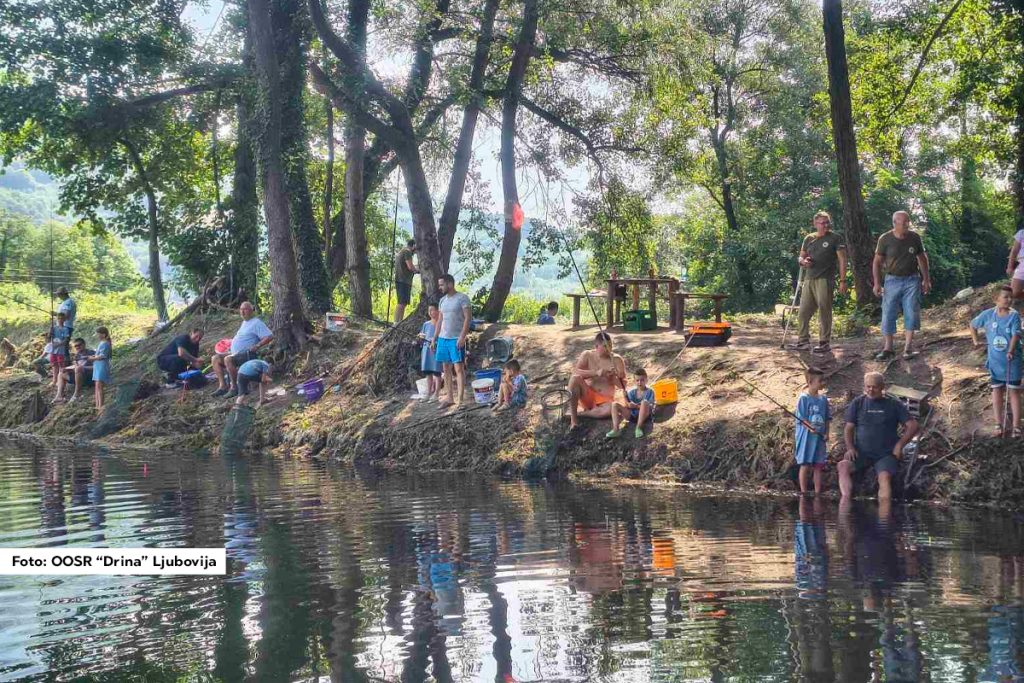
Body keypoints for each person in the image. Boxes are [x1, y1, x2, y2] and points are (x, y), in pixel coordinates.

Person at [839, 372, 919, 501]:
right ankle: (845, 504)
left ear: (882, 387)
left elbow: (913, 426)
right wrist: (850, 448)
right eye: (868, 386)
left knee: (884, 477)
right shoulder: (858, 403)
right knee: (843, 466)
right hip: (862, 453)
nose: (870, 390)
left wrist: (900, 445)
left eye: (874, 387)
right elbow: (849, 428)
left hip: (885, 454)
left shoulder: (894, 404)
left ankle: (884, 517)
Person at [872, 211, 932, 360]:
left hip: (912, 279)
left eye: (907, 221)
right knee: (888, 312)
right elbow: (877, 262)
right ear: (894, 223)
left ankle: (908, 348)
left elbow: (922, 258)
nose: (906, 224)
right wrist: (877, 283)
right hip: (892, 280)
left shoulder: (914, 237)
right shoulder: (885, 239)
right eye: (903, 222)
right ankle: (888, 348)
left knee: (911, 311)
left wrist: (926, 279)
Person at [970, 285, 1022, 438]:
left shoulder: (1014, 316)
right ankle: (998, 424)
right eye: (1005, 297)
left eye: (1010, 297)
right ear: (996, 299)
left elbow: (1015, 336)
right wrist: (975, 340)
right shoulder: (987, 315)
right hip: (995, 362)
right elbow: (973, 325)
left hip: (1012, 362)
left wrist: (1011, 351)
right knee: (997, 391)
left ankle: (1016, 426)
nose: (1009, 299)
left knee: (1014, 392)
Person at [793, 211, 848, 353]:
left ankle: (824, 342)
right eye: (822, 223)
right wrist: (803, 261)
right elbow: (801, 257)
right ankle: (803, 340)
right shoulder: (809, 238)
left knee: (824, 310)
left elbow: (842, 259)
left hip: (825, 278)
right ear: (815, 224)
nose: (825, 225)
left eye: (827, 222)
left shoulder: (835, 238)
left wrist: (843, 280)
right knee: (804, 311)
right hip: (809, 278)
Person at [212, 302, 274, 397]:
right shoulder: (244, 323)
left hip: (247, 354)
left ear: (251, 311)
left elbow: (269, 336)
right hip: (235, 353)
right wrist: (231, 347)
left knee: (228, 359)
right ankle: (223, 386)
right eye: (241, 309)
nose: (242, 311)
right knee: (215, 358)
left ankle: (235, 387)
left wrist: (257, 345)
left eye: (245, 309)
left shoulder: (256, 323)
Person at [568, 331, 626, 429]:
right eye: (605, 346)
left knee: (610, 409)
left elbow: (623, 386)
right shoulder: (587, 355)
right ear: (596, 346)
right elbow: (575, 373)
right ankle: (573, 421)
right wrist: (595, 373)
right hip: (587, 395)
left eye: (610, 346)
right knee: (574, 379)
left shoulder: (617, 360)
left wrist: (613, 378)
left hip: (605, 401)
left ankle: (583, 414)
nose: (609, 349)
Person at [431, 274, 472, 407]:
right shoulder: (442, 301)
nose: (440, 287)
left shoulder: (462, 298)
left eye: (442, 284)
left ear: (450, 284)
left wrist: (462, 336)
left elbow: (468, 318)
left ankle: (460, 400)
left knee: (459, 368)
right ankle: (449, 398)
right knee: (445, 368)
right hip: (443, 338)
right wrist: (434, 338)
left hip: (456, 338)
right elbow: (440, 320)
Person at [794, 368, 831, 495]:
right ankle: (803, 492)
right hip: (806, 438)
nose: (822, 383)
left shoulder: (823, 399)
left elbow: (827, 418)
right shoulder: (803, 398)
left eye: (823, 380)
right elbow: (802, 418)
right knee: (805, 464)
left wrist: (827, 433)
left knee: (818, 465)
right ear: (810, 381)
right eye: (820, 381)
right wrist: (810, 428)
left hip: (820, 438)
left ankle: (817, 492)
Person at [607, 367, 655, 439]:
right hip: (632, 416)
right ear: (634, 381)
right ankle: (615, 429)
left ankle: (638, 428)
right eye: (637, 380)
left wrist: (636, 406)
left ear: (646, 380)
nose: (639, 382)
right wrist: (625, 398)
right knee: (614, 405)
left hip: (645, 417)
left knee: (644, 402)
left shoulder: (650, 391)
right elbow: (627, 405)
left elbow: (651, 407)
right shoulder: (632, 392)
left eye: (642, 380)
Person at [54, 337, 94, 403]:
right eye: (76, 346)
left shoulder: (91, 353)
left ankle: (77, 394)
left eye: (79, 345)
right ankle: (59, 396)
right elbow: (75, 366)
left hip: (90, 377)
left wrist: (83, 368)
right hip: (78, 376)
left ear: (84, 344)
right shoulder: (77, 356)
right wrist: (68, 369)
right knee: (61, 372)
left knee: (78, 369)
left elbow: (97, 367)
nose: (77, 347)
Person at [419, 302, 442, 401]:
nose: (431, 312)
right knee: (428, 373)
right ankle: (429, 392)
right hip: (426, 350)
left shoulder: (441, 323)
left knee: (437, 372)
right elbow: (422, 336)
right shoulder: (426, 324)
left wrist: (435, 342)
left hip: (436, 350)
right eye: (429, 311)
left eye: (433, 310)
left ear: (438, 311)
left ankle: (436, 393)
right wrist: (420, 337)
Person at [394, 238, 419, 323]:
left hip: (402, 280)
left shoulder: (403, 251)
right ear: (414, 245)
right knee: (401, 303)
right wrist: (418, 271)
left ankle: (399, 322)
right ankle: (396, 322)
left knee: (403, 303)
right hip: (403, 280)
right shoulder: (407, 252)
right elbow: (410, 267)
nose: (416, 252)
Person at [90, 327, 112, 412]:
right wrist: (93, 357)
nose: (97, 336)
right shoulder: (101, 343)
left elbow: (102, 356)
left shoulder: (106, 343)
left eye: (98, 334)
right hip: (97, 366)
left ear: (103, 334)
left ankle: (101, 406)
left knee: (100, 386)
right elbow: (98, 355)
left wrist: (92, 359)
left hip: (102, 366)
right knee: (97, 386)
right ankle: (97, 405)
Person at [53, 286, 77, 353]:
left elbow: (66, 315)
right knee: (62, 347)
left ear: (62, 294)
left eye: (58, 294)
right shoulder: (65, 302)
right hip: (62, 326)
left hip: (66, 326)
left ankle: (65, 362)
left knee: (63, 347)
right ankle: (62, 361)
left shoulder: (68, 302)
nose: (57, 295)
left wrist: (55, 314)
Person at [49, 312, 71, 387]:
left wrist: (57, 344)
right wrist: (50, 332)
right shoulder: (54, 328)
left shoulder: (66, 329)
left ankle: (60, 380)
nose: (60, 320)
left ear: (64, 319)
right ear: (57, 319)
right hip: (53, 350)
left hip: (61, 350)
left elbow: (66, 340)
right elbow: (49, 339)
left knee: (61, 365)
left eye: (62, 318)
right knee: (54, 365)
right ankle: (54, 380)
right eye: (59, 318)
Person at [1008, 228, 1024, 302]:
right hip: (1022, 264)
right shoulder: (1021, 233)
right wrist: (1010, 267)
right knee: (1014, 293)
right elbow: (1014, 251)